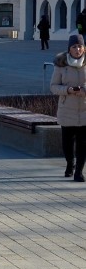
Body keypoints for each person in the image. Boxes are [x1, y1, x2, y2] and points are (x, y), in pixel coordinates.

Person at [50, 34, 86, 181]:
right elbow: (53, 87)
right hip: (67, 109)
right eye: (74, 47)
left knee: (83, 143)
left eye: (80, 46)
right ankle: (70, 163)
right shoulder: (61, 65)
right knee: (67, 143)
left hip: (84, 110)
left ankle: (79, 171)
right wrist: (68, 90)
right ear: (69, 49)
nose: (77, 49)